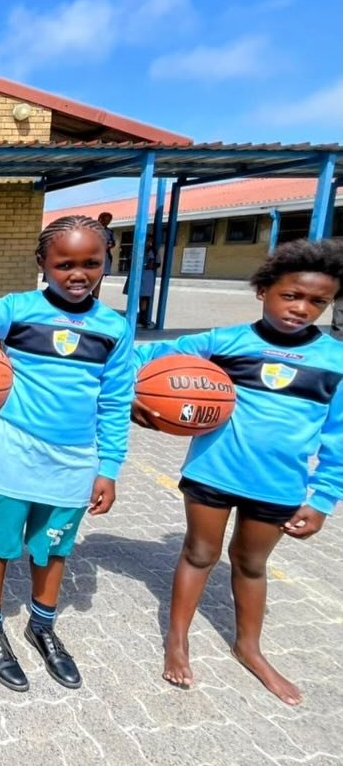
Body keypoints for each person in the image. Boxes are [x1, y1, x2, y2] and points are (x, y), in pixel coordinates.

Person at [0, 214, 133, 691]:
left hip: (75, 460)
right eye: (65, 264)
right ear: (42, 263)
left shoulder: (115, 329)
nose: (78, 274)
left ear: (106, 262)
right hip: (12, 452)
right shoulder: (16, 309)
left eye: (92, 263)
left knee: (53, 548)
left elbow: (115, 402)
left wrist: (109, 467)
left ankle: (42, 625)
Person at [132, 238, 343, 706]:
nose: (302, 308)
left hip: (278, 484)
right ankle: (178, 639)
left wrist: (323, 498)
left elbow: (338, 438)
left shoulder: (335, 362)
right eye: (291, 295)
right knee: (200, 553)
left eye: (317, 302)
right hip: (213, 471)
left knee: (251, 563)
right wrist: (136, 398)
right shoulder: (224, 342)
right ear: (263, 290)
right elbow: (145, 359)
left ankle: (249, 647)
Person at [123, 242, 159, 328]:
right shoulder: (136, 250)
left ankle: (143, 318)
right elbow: (129, 261)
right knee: (134, 296)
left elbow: (157, 263)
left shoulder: (153, 251)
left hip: (147, 275)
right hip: (136, 273)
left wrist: (150, 265)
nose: (148, 243)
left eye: (150, 241)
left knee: (144, 297)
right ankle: (132, 317)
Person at [92, 211, 115, 299]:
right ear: (100, 219)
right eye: (106, 220)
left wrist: (110, 244)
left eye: (109, 221)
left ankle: (95, 300)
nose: (107, 222)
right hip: (93, 258)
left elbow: (113, 243)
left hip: (104, 259)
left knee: (98, 281)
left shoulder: (109, 232)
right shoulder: (92, 230)